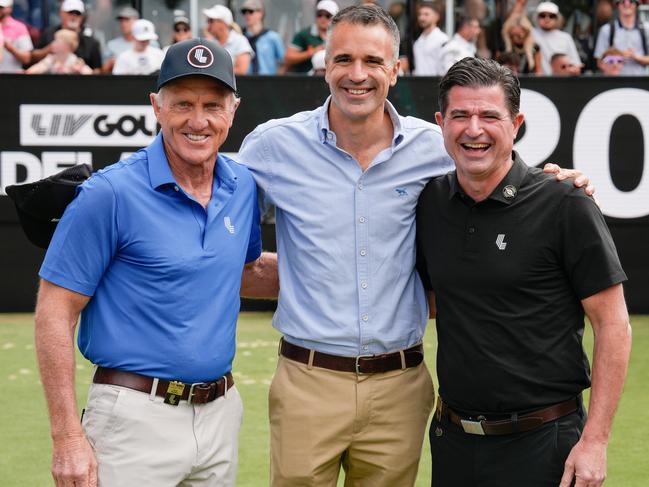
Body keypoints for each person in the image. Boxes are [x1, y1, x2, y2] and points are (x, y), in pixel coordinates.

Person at [238, 5, 591, 486]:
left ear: (396, 69)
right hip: (307, 380)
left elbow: (507, 177)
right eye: (343, 59)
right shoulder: (272, 145)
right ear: (324, 64)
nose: (356, 75)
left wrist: (560, 178)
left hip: (400, 385)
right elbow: (208, 205)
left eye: (373, 61)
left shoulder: (436, 147)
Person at [34, 37, 277, 486]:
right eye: (183, 104)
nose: (198, 120)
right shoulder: (109, 193)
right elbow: (55, 309)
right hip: (131, 420)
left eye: (212, 104)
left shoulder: (242, 186)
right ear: (156, 107)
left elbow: (244, 271)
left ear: (233, 110)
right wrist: (67, 435)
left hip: (219, 415)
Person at [416, 57, 631, 487]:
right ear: (441, 122)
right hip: (453, 441)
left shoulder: (565, 203)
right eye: (460, 115)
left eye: (489, 116)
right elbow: (437, 302)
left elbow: (613, 325)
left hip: (544, 444)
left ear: (516, 123)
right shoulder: (430, 203)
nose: (473, 129)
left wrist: (595, 441)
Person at [31, 0, 102, 73]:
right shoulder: (49, 33)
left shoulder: (91, 41)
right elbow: (32, 58)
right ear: (61, 13)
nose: (74, 16)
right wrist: (48, 50)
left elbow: (97, 69)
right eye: (70, 12)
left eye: (78, 13)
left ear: (82, 17)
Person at [593, 0, 649, 75]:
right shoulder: (607, 30)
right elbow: (599, 61)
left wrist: (636, 57)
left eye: (631, 2)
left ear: (637, 4)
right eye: (622, 2)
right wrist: (619, 56)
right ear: (617, 5)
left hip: (640, 79)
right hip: (615, 81)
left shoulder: (646, 29)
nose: (627, 4)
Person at [284, 0, 338, 73]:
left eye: (327, 15)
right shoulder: (303, 34)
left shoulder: (339, 36)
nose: (323, 18)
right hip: (305, 81)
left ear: (335, 17)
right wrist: (311, 52)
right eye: (319, 15)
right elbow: (288, 58)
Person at [533, 2, 582, 75]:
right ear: (537, 17)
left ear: (557, 18)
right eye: (542, 15)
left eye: (551, 16)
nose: (547, 19)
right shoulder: (531, 34)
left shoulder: (565, 37)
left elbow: (576, 64)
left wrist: (574, 70)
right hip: (540, 81)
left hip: (561, 82)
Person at [204, 4, 254, 75]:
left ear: (223, 23)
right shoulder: (208, 42)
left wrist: (213, 72)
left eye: (211, 20)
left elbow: (241, 70)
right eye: (208, 20)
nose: (208, 23)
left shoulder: (240, 41)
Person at [240, 0, 285, 75]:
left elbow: (283, 62)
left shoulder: (273, 37)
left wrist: (277, 80)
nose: (247, 15)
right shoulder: (240, 37)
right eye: (244, 11)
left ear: (261, 13)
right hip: (244, 81)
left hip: (267, 82)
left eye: (251, 11)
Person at [25, 28, 92, 74]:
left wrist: (78, 71)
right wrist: (27, 72)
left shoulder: (76, 61)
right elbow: (39, 67)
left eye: (57, 41)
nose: (53, 43)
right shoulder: (51, 59)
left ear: (67, 45)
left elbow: (89, 73)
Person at [412, 1, 448, 76]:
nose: (421, 18)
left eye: (426, 14)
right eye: (420, 14)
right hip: (419, 84)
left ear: (436, 17)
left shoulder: (443, 40)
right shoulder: (418, 42)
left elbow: (446, 68)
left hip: (436, 84)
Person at [0, 0, 33, 73]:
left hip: (10, 78)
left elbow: (27, 58)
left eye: (1, 7)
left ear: (10, 8)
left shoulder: (19, 28)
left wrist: (10, 47)